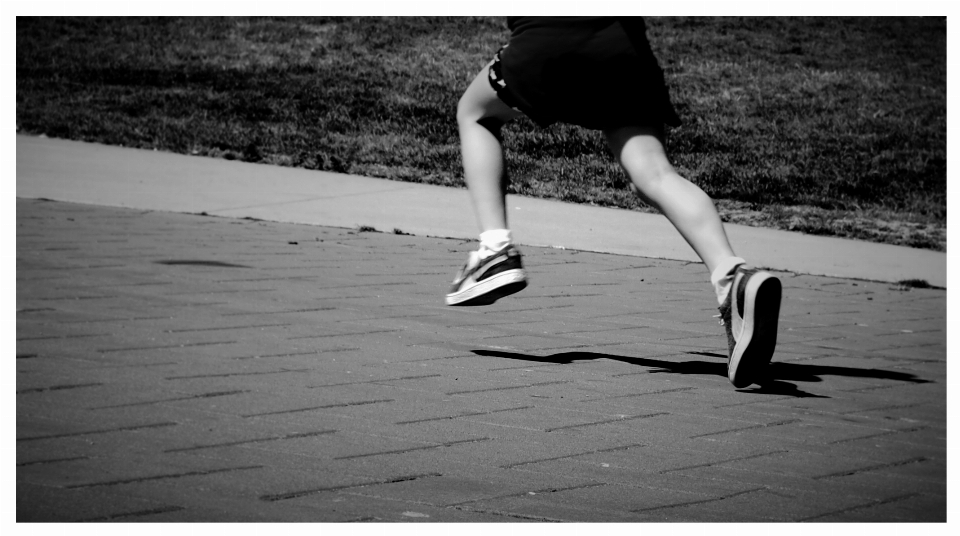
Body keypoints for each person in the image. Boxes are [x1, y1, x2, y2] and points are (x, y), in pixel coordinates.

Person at [444, 16, 781, 388]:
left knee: (474, 112)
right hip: (623, 50)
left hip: (550, 38)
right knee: (654, 174)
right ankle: (732, 277)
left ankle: (495, 249)